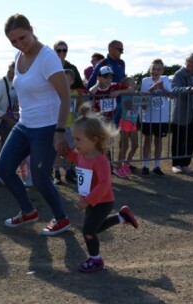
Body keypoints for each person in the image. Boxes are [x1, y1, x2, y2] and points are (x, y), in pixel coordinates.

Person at [0, 14, 72, 236]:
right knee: (3, 168)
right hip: (24, 125)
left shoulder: (48, 58)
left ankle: (61, 219)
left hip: (47, 127)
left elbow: (66, 97)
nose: (20, 44)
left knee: (40, 178)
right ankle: (28, 211)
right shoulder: (19, 56)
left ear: (31, 29)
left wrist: (60, 131)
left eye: (22, 37)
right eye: (14, 41)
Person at [66, 103, 138, 273]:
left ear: (94, 140)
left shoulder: (100, 160)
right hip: (91, 201)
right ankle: (121, 217)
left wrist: (88, 201)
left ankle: (95, 260)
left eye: (78, 139)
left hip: (102, 201)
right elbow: (77, 159)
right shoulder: (84, 154)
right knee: (95, 228)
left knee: (88, 231)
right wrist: (65, 153)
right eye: (74, 138)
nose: (75, 142)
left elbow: (105, 184)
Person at [171, 53, 193, 174]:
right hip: (181, 110)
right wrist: (189, 89)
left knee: (191, 139)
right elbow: (174, 89)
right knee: (178, 138)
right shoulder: (179, 74)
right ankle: (176, 164)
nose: (190, 64)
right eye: (188, 61)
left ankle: (186, 163)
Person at [140, 59, 172, 176]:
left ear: (162, 71)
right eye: (153, 69)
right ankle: (145, 165)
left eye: (158, 69)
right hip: (148, 117)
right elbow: (142, 99)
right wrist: (151, 89)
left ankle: (157, 166)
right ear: (150, 70)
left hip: (161, 118)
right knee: (147, 141)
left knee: (158, 141)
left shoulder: (165, 79)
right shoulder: (145, 80)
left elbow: (172, 96)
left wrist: (162, 88)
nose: (155, 71)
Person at [115, 77, 138, 178]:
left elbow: (144, 106)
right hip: (124, 122)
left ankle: (127, 163)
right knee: (124, 146)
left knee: (135, 145)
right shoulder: (125, 95)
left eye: (134, 82)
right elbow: (129, 106)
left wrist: (142, 100)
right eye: (131, 82)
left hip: (133, 123)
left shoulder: (136, 95)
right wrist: (140, 100)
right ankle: (118, 167)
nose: (134, 84)